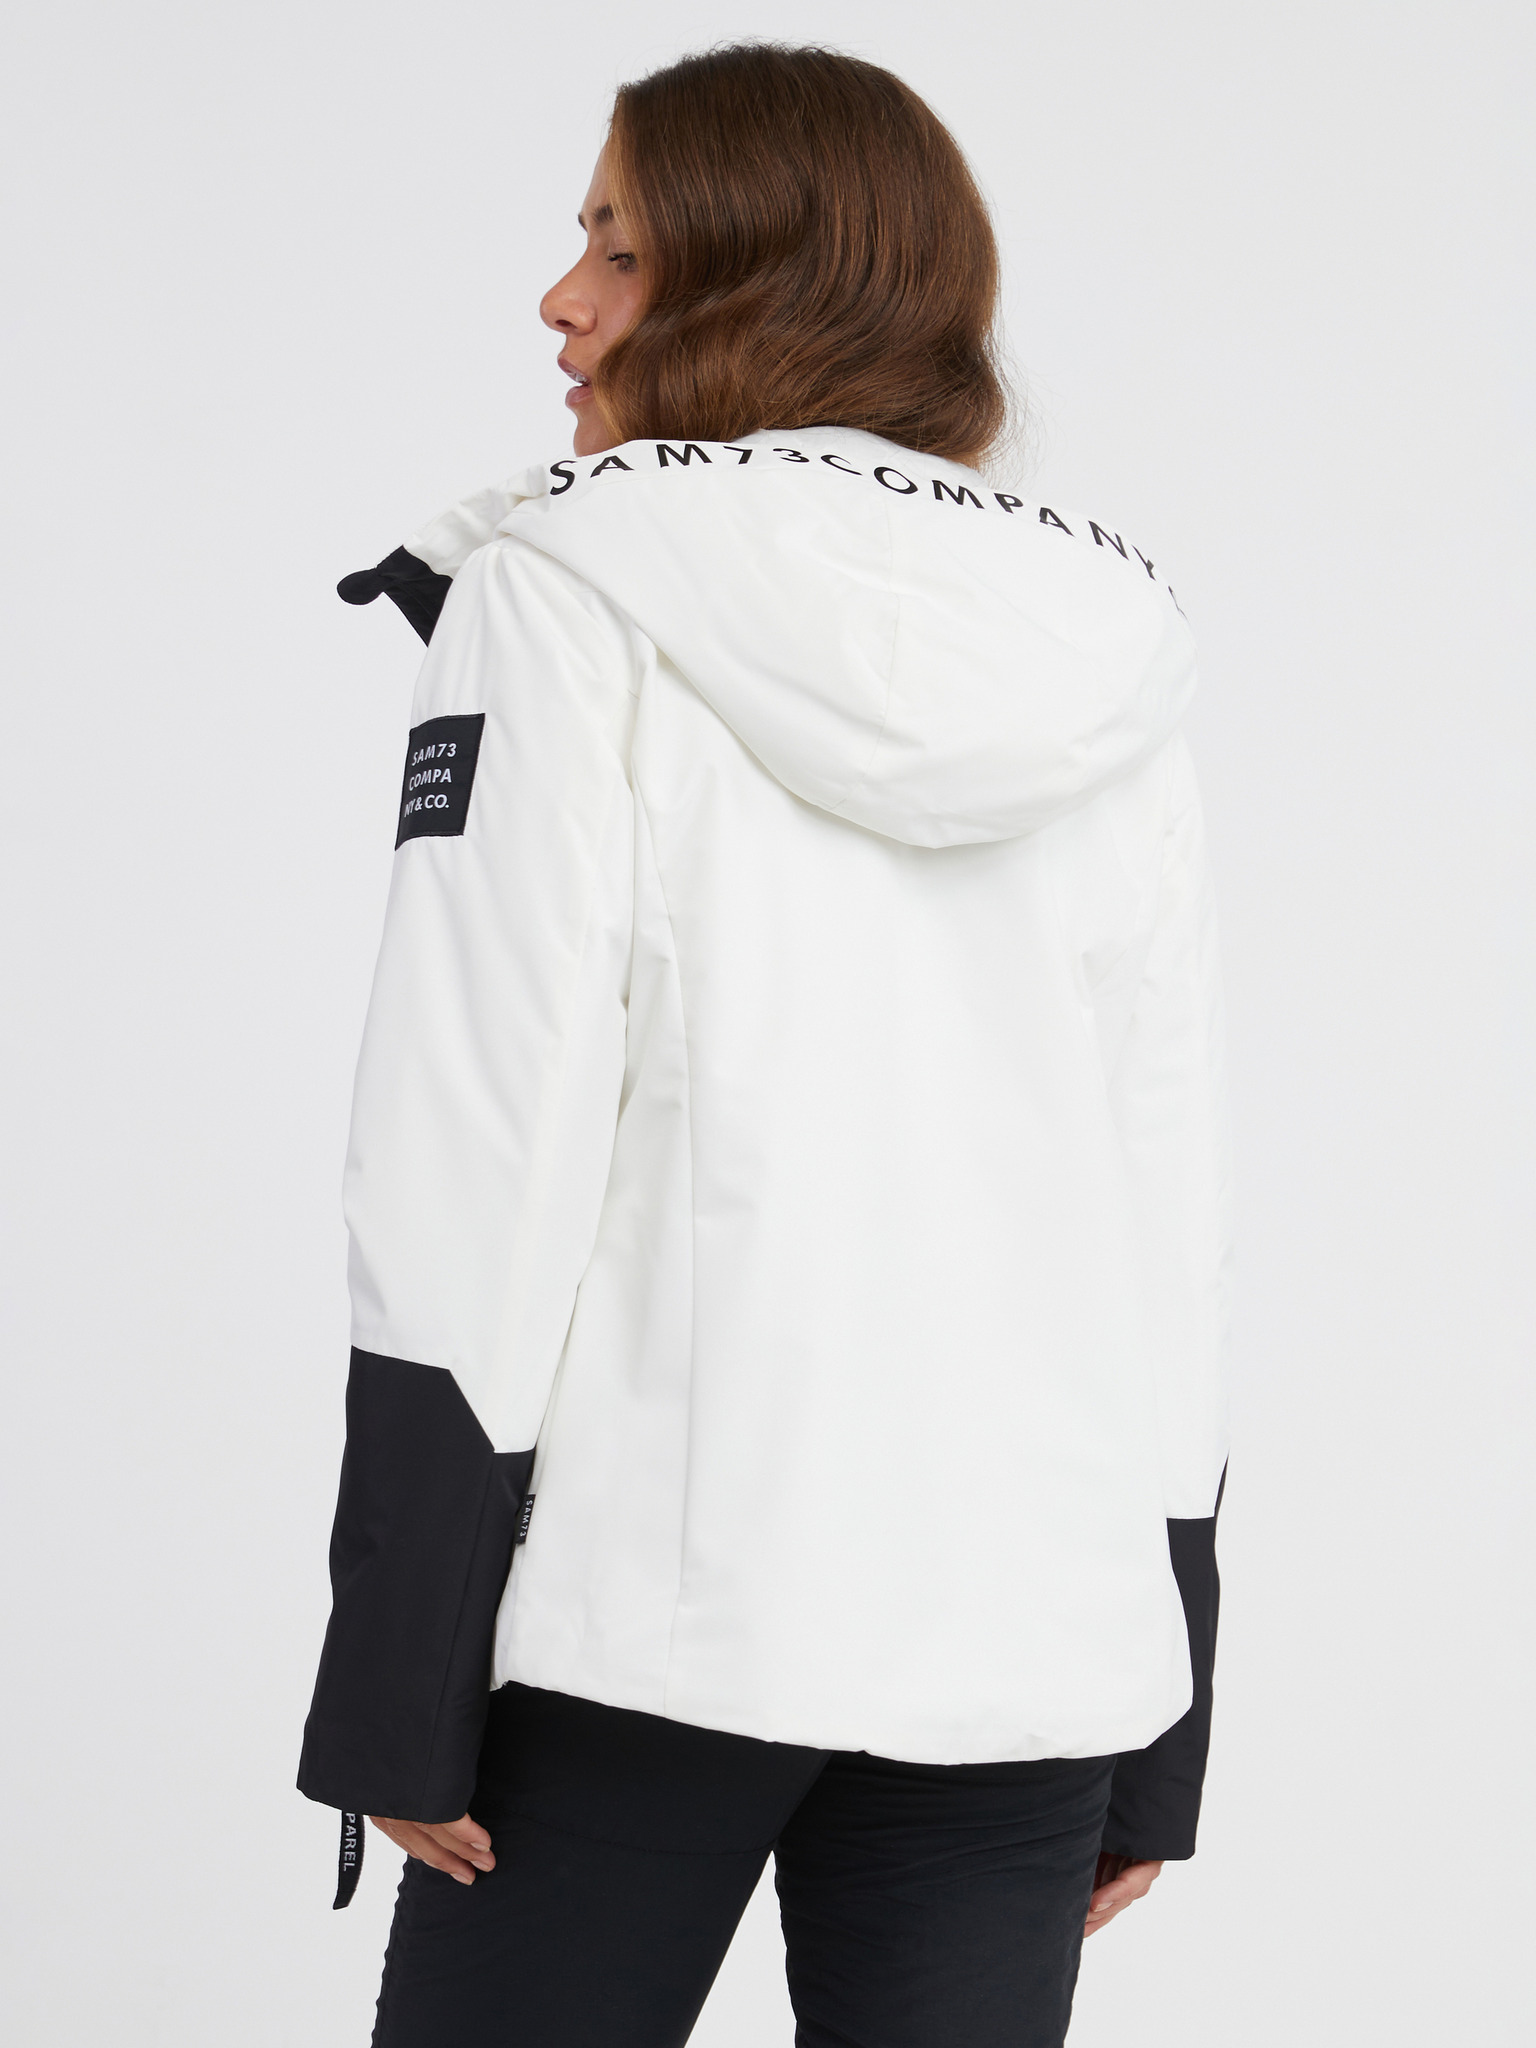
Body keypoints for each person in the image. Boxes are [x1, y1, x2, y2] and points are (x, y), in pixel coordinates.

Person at [301, 42, 1231, 2048]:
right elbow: (1157, 1188)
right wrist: (1167, 1691)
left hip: (652, 1627)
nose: (561, 301)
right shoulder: (1100, 649)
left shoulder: (561, 587)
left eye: (620, 250)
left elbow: (475, 1144)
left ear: (754, 282)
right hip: (1035, 1646)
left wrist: (396, 1668)